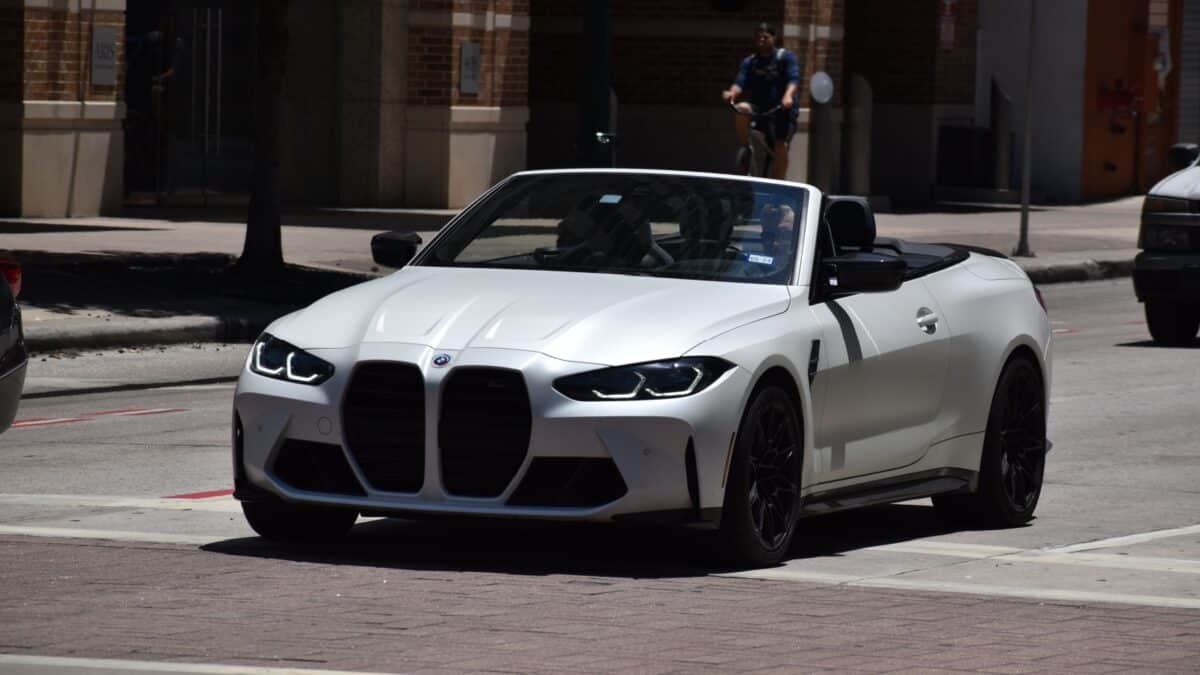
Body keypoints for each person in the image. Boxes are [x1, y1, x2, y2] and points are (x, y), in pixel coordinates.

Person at [721, 22, 801, 179]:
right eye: (758, 37)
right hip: (759, 109)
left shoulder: (785, 57)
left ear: (774, 38)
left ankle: (779, 181)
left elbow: (793, 79)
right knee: (741, 108)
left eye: (765, 37)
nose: (761, 40)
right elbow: (740, 82)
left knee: (780, 145)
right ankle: (746, 146)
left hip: (781, 110)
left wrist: (788, 96)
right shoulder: (750, 62)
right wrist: (732, 93)